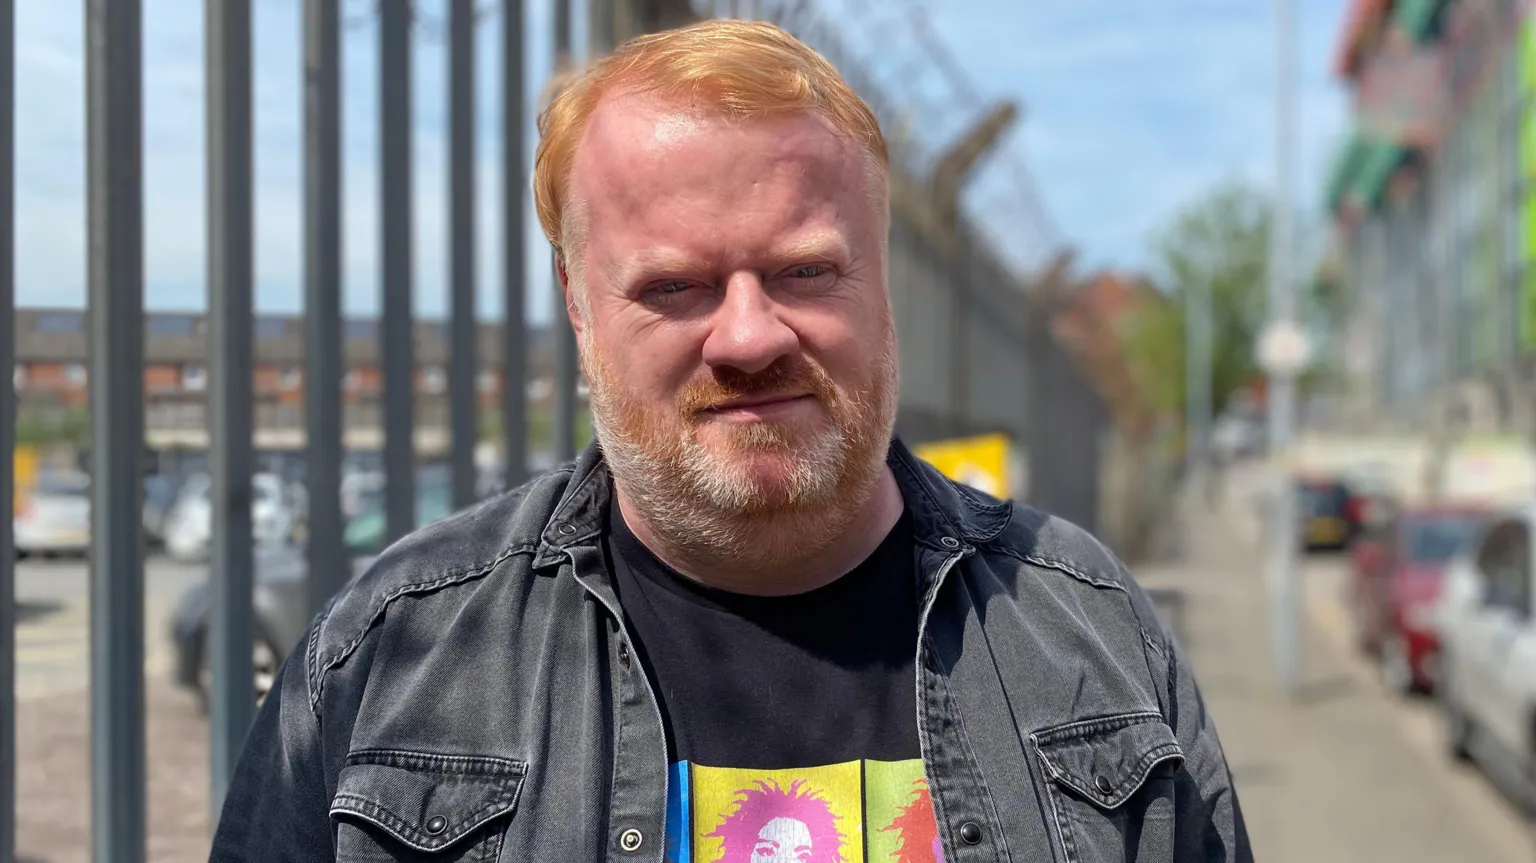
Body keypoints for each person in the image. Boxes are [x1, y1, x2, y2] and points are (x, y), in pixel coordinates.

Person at [209, 19, 1250, 863]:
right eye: (674, 286)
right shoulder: (394, 660)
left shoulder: (1088, 638)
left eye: (803, 270)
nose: (749, 336)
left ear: (883, 281)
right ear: (578, 304)